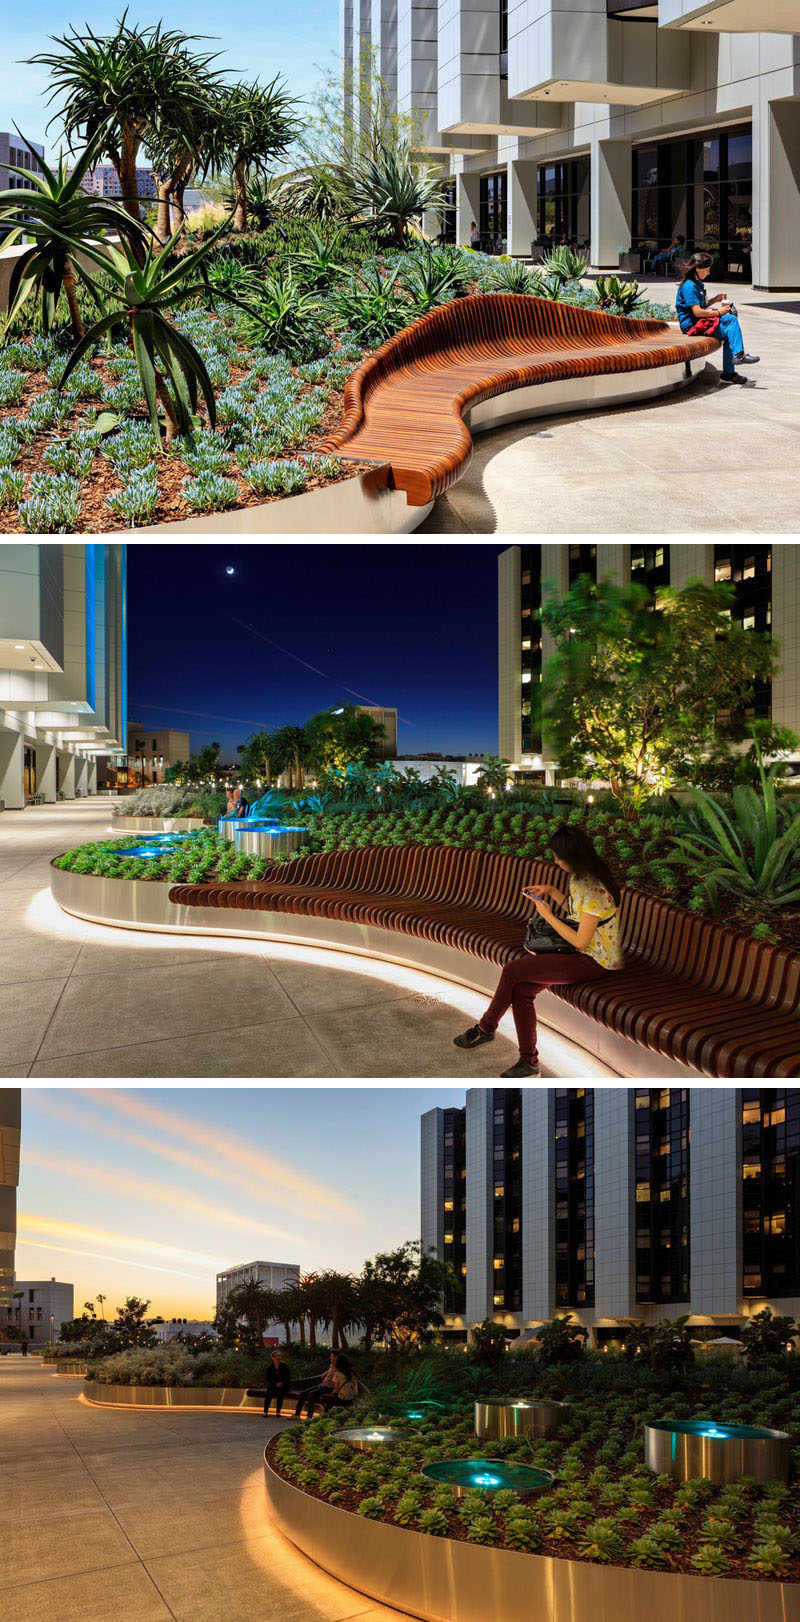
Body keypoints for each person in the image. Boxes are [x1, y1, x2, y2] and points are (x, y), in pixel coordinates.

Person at [453, 824, 625, 1079]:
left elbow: (580, 941)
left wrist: (547, 914)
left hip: (594, 961)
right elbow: (578, 913)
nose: (555, 861)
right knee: (522, 991)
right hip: (580, 953)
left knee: (512, 970)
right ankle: (528, 1063)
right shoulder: (582, 877)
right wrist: (552, 892)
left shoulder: (593, 889)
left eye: (558, 857)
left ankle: (486, 1028)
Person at [675, 251, 759, 384]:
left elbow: (701, 306)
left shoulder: (697, 283)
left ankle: (739, 355)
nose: (708, 273)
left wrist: (715, 299)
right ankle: (729, 372)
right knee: (728, 333)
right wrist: (719, 312)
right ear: (697, 269)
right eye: (706, 270)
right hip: (691, 325)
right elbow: (697, 312)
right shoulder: (689, 286)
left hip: (700, 320)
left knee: (731, 319)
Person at [294, 1350, 358, 1419]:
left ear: (336, 1357)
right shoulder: (331, 1365)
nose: (330, 1358)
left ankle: (309, 1416)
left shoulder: (339, 1370)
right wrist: (324, 1374)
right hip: (322, 1385)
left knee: (312, 1394)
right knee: (303, 1393)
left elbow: (337, 1386)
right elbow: (326, 1373)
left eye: (332, 1356)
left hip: (328, 1388)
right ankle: (297, 1415)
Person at [262, 1347, 292, 1417]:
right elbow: (268, 1378)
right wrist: (275, 1384)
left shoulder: (284, 1366)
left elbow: (288, 1377)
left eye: (280, 1356)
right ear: (273, 1357)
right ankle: (265, 1412)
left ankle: (278, 1412)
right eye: (277, 1356)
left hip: (283, 1385)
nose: (279, 1357)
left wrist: (282, 1383)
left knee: (280, 1393)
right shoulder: (270, 1368)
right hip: (273, 1385)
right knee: (268, 1393)